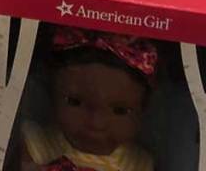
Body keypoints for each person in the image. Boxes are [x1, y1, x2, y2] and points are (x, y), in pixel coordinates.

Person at [19, 27, 156, 171]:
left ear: (143, 110)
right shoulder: (38, 145)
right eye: (74, 102)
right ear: (51, 95)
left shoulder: (138, 164)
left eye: (120, 110)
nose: (97, 123)